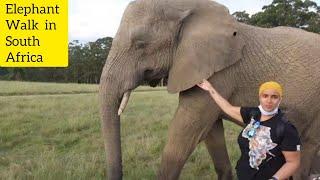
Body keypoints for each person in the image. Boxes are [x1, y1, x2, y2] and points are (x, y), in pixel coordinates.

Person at [197, 79, 301, 180]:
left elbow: (293, 162)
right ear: (260, 97)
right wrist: (210, 89)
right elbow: (228, 108)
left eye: (274, 97)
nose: (269, 101)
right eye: (265, 96)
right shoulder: (253, 114)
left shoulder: (286, 128)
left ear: (280, 99)